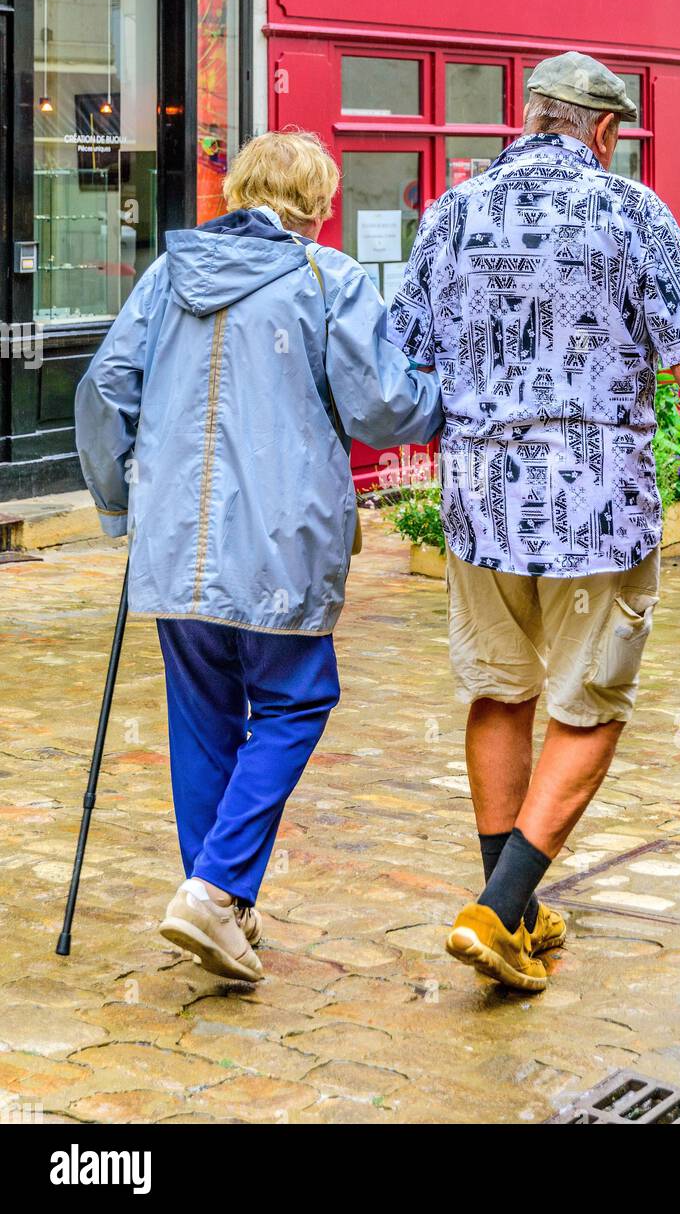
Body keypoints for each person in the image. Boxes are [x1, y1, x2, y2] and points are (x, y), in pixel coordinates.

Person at [388, 51, 680, 993]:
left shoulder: (453, 211)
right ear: (604, 131)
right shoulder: (631, 212)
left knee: (499, 693)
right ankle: (495, 910)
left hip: (478, 502)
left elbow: (401, 363)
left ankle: (513, 910)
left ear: (532, 117)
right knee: (590, 707)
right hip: (597, 506)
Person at [76, 130, 442, 983]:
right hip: (278, 544)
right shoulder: (325, 280)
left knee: (203, 721)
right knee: (296, 700)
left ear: (239, 191)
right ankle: (212, 891)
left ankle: (220, 902)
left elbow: (102, 391)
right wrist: (443, 402)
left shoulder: (169, 277)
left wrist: (123, 503)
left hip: (174, 548)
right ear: (319, 204)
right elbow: (384, 405)